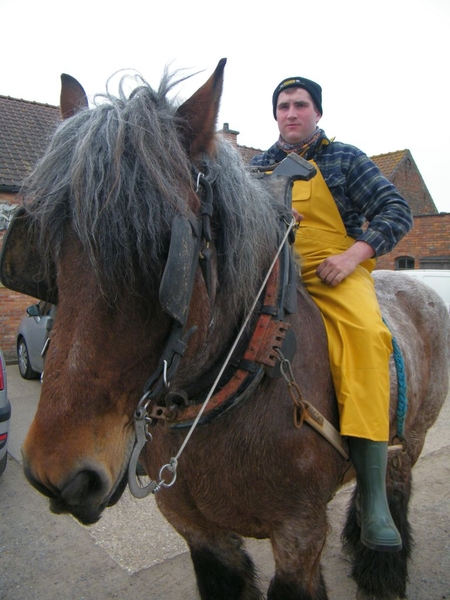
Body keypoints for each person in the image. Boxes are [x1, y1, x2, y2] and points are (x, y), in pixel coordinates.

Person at [251, 77, 413, 552]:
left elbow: (395, 210)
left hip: (333, 268)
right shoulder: (256, 167)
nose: (291, 112)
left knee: (366, 338)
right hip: (269, 268)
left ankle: (374, 498)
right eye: (283, 106)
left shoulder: (346, 158)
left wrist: (352, 256)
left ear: (317, 113)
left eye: (301, 105)